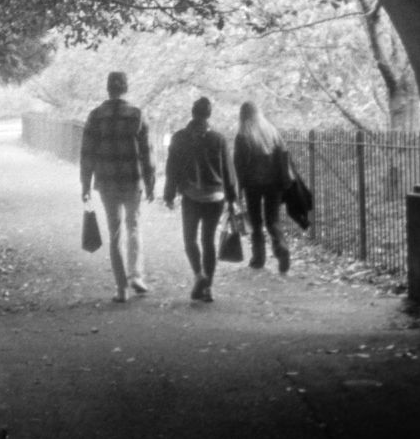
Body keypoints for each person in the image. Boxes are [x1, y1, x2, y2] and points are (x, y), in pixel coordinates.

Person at [80, 71, 156, 302]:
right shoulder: (136, 115)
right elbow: (147, 153)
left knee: (115, 233)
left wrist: (85, 185)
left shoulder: (95, 116)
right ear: (125, 88)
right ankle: (137, 277)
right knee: (134, 227)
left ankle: (121, 288)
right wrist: (150, 183)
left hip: (107, 181)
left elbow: (87, 153)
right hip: (132, 180)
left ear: (108, 88)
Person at [163, 97, 236, 303]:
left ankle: (199, 275)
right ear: (208, 115)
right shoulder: (219, 139)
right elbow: (228, 172)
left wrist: (169, 194)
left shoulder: (179, 138)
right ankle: (208, 288)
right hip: (216, 197)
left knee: (190, 240)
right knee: (208, 241)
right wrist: (232, 199)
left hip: (191, 196)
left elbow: (172, 170)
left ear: (192, 113)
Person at [233, 101, 292, 273]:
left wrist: (239, 189)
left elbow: (239, 165)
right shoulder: (271, 131)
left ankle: (258, 259)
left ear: (242, 115)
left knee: (256, 222)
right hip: (274, 184)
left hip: (253, 185)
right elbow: (283, 155)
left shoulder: (243, 135)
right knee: (273, 220)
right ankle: (282, 249)